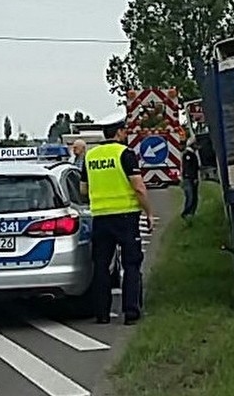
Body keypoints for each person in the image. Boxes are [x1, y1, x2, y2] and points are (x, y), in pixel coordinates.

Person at [80, 121, 154, 325]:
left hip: (100, 217)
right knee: (131, 264)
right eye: (125, 131)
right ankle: (131, 312)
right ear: (119, 132)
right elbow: (138, 187)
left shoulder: (90, 156)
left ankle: (102, 314)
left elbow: (83, 190)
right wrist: (148, 212)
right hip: (126, 216)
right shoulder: (125, 154)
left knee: (102, 266)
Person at [181, 137, 200, 220]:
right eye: (195, 144)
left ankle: (191, 213)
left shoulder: (192, 154)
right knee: (190, 196)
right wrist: (193, 177)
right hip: (189, 179)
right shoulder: (188, 154)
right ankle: (186, 213)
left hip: (191, 178)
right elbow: (189, 168)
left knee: (194, 197)